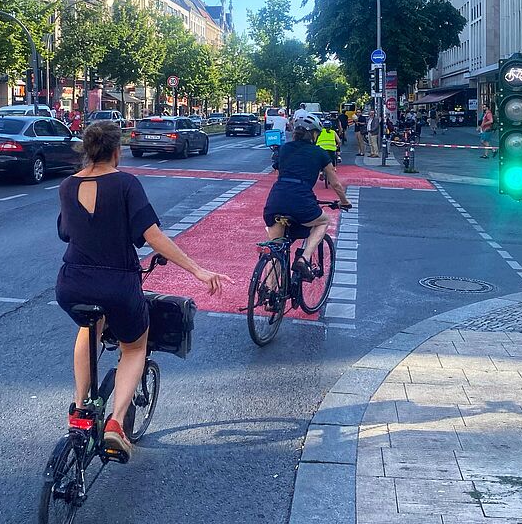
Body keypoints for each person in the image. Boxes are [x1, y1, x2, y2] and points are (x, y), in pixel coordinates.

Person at [56, 122, 232, 455]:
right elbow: (153, 237)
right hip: (117, 283)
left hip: (72, 282)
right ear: (116, 151)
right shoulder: (125, 184)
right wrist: (197, 270)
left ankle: (80, 408)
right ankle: (116, 423)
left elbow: (66, 232)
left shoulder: (66, 186)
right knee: (134, 346)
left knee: (87, 329)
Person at [263, 113, 350, 281]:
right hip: (301, 201)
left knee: (276, 249)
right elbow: (335, 184)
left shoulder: (284, 148)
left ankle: (269, 293)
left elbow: (279, 173)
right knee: (323, 221)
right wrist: (344, 202)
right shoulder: (319, 153)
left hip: (275, 200)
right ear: (315, 134)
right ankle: (303, 259)